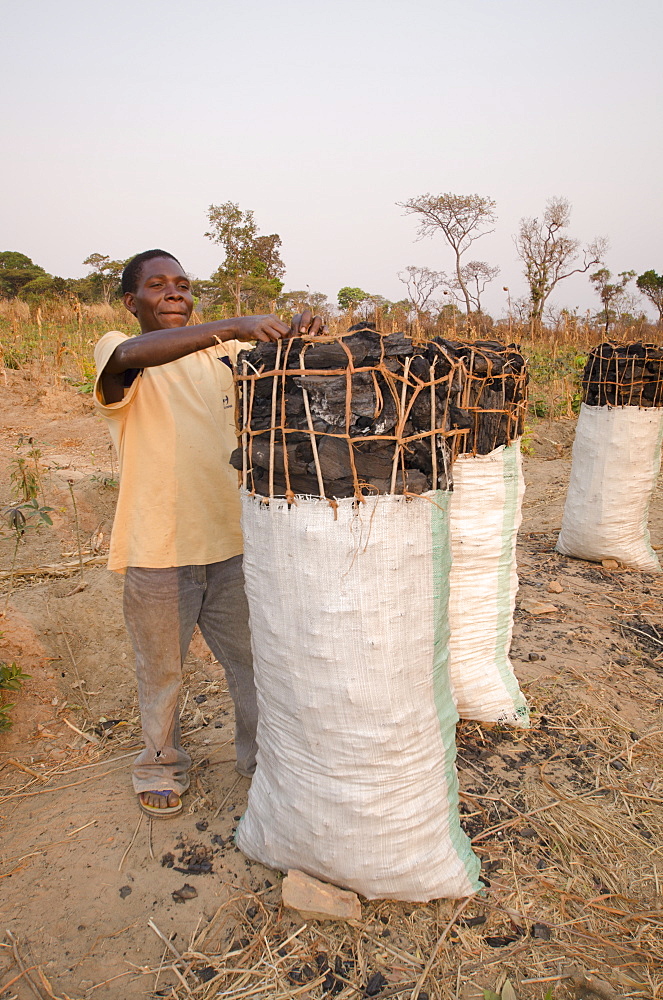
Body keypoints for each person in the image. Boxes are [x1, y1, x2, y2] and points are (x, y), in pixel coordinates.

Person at [94, 249, 322, 817]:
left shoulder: (231, 354)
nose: (173, 293)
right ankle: (160, 764)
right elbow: (127, 355)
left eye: (181, 284)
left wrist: (296, 336)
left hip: (235, 543)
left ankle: (261, 756)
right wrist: (233, 324)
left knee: (252, 660)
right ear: (132, 301)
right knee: (162, 669)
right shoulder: (121, 349)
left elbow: (284, 373)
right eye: (157, 285)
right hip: (158, 547)